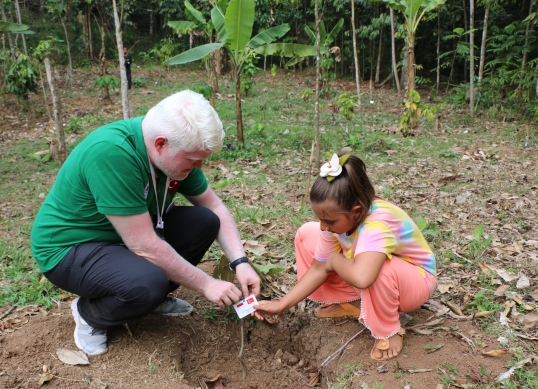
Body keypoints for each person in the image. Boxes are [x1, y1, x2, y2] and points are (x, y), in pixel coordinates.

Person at [31, 90, 260, 356]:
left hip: (128, 236)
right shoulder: (112, 153)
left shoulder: (176, 150)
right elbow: (144, 246)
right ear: (160, 143)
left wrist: (240, 262)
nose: (199, 167)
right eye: (193, 160)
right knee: (147, 282)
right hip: (72, 247)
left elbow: (214, 206)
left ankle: (154, 298)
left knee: (205, 221)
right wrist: (207, 284)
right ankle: (90, 313)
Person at [253, 152, 436, 360]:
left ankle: (389, 331)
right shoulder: (339, 220)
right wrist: (281, 304)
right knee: (307, 234)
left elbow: (363, 277)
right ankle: (356, 302)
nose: (324, 226)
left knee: (378, 270)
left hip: (415, 281)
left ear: (356, 211)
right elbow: (318, 267)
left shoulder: (377, 225)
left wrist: (335, 260)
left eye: (329, 221)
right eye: (321, 218)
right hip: (365, 264)